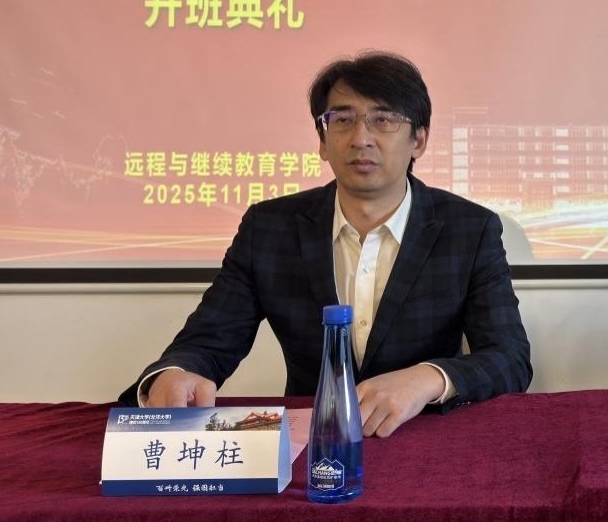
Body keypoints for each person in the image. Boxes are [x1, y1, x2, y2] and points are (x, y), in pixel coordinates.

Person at [120, 51, 532, 436]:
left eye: (383, 120)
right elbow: (207, 341)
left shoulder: (469, 228)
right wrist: (175, 373)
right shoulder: (270, 227)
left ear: (419, 140)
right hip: (315, 440)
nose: (360, 138)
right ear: (322, 139)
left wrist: (429, 378)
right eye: (342, 120)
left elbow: (509, 358)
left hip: (424, 438)